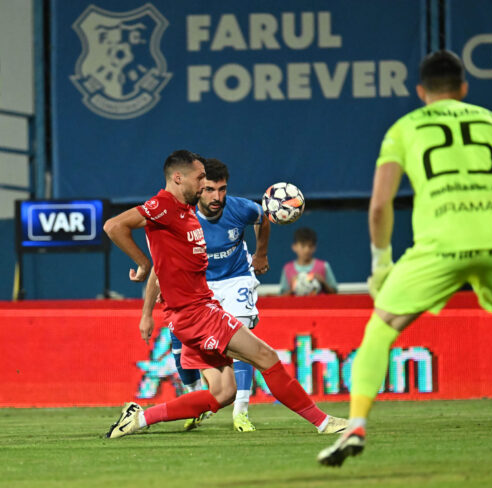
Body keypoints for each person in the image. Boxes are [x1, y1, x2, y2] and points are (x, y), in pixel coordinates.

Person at [318, 50, 492, 466]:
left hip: (440, 245)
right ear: (464, 88)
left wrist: (380, 264)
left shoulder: (403, 128)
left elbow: (379, 205)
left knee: (382, 329)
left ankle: (356, 425)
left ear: (420, 91)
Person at [103, 149, 347, 439]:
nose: (204, 185)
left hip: (200, 308)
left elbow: (165, 259)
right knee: (265, 356)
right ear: (178, 178)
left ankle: (138, 419)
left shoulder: (183, 210)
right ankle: (323, 422)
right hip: (196, 314)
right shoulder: (163, 206)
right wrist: (142, 264)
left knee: (223, 392)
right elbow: (114, 226)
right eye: (200, 179)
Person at [166, 157, 271, 432]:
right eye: (211, 189)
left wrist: (261, 254)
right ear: (199, 188)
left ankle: (241, 412)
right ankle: (196, 402)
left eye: (222, 189)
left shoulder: (240, 208)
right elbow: (165, 255)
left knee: (241, 340)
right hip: (199, 285)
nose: (217, 196)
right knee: (178, 341)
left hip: (237, 278)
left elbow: (262, 217)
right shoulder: (182, 215)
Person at [279, 227, 338, 296]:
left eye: (310, 246)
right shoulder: (287, 269)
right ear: (294, 247)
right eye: (303, 246)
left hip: (319, 306)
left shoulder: (323, 266)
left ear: (315, 247)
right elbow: (282, 296)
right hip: (296, 306)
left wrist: (323, 283)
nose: (307, 250)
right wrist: (293, 288)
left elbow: (334, 293)